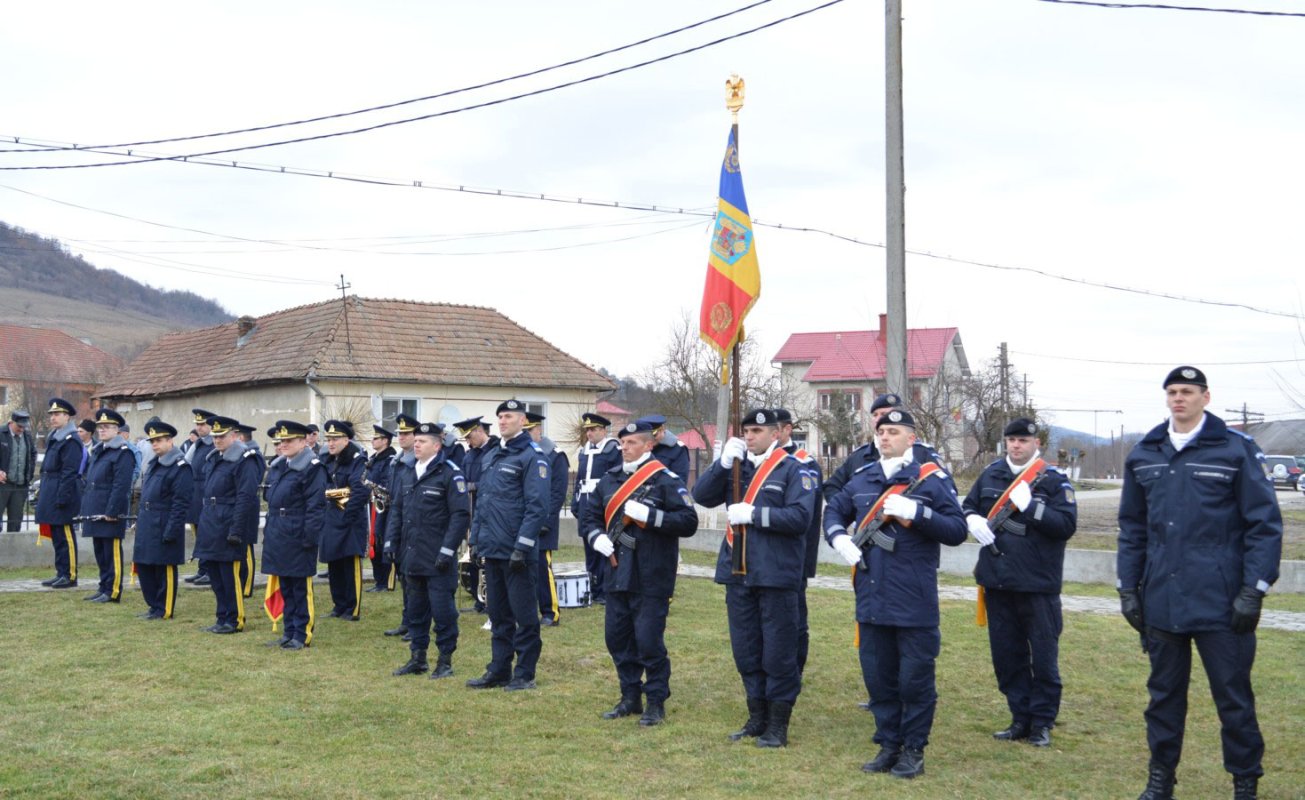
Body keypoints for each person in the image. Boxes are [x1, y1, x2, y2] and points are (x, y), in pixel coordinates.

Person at [1117, 367, 1282, 800]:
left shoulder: (1234, 450)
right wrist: (1127, 588)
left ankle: (1245, 782)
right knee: (1163, 699)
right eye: (1171, 391)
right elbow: (1132, 529)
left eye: (1187, 391)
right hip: (1162, 600)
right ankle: (1160, 780)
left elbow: (1264, 526)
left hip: (1222, 602)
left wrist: (1254, 590)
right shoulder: (1145, 453)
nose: (1178, 399)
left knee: (1233, 699)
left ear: (1206, 397)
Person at [823, 409, 966, 778]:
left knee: (914, 681)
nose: (885, 437)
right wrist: (838, 537)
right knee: (879, 679)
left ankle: (913, 750)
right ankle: (888, 744)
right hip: (871, 596)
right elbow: (834, 509)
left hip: (913, 600)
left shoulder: (930, 481)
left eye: (894, 432)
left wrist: (918, 514)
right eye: (881, 431)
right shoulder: (863, 477)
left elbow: (956, 530)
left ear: (911, 439)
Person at [692, 408, 816, 749]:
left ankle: (777, 724)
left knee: (778, 652)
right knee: (746, 650)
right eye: (746, 431)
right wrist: (720, 464)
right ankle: (756, 716)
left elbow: (800, 517)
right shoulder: (738, 468)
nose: (749, 436)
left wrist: (756, 515)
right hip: (739, 570)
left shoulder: (795, 469)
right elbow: (701, 496)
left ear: (776, 434)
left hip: (776, 573)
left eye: (756, 431)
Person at [962, 418, 1077, 748]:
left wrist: (1033, 507)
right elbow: (969, 506)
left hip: (1038, 585)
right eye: (1011, 439)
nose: (1016, 445)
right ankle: (1019, 718)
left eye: (1023, 440)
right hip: (998, 582)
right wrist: (972, 519)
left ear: (1036, 443)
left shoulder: (1054, 481)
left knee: (1043, 659)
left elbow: (1066, 525)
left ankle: (1042, 723)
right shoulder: (992, 474)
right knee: (1007, 658)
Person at [584, 420, 698, 725]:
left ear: (649, 445)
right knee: (617, 639)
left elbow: (688, 521)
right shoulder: (609, 480)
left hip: (651, 573)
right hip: (617, 571)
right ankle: (630, 696)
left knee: (648, 641)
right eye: (622, 443)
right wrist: (597, 537)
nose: (625, 448)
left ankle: (656, 701)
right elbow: (590, 516)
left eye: (632, 442)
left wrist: (653, 516)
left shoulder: (664, 480)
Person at [465, 399, 550, 692]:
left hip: (517, 552)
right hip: (493, 548)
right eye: (499, 416)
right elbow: (483, 503)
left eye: (509, 416)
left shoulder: (531, 456)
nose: (502, 421)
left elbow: (537, 507)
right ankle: (499, 669)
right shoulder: (492, 455)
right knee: (498, 614)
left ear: (522, 420)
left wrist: (522, 547)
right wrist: (476, 542)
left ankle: (524, 673)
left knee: (524, 616)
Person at [390, 422, 471, 678]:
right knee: (415, 610)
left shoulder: (449, 473)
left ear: (436, 445)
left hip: (437, 557)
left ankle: (445, 660)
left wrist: (448, 550)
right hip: (412, 554)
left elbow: (460, 515)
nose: (416, 444)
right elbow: (398, 510)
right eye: (415, 440)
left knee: (443, 611)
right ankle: (418, 657)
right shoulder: (408, 471)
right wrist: (391, 542)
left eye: (422, 441)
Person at [261, 420, 328, 650]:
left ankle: (302, 633)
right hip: (279, 531)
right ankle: (288, 631)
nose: (284, 444)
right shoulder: (280, 465)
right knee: (286, 586)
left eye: (289, 440)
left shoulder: (312, 467)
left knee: (300, 587)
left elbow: (315, 506)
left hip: (298, 532)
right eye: (282, 441)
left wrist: (310, 538)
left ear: (303, 441)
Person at [194, 415, 261, 634]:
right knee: (215, 575)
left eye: (221, 436)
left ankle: (235, 619)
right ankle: (221, 616)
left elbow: (245, 497)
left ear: (234, 435)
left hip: (229, 522)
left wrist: (237, 529)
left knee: (229, 576)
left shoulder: (245, 459)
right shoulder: (214, 458)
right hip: (212, 521)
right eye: (215, 436)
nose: (217, 440)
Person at [772, 408, 823, 675]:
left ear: (788, 429)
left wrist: (806, 560)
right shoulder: (757, 459)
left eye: (776, 428)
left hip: (796, 551)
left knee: (795, 617)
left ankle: (796, 667)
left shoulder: (805, 462)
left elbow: (809, 517)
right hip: (767, 555)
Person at [132, 420, 192, 620]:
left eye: (158, 440)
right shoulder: (154, 464)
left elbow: (180, 502)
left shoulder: (180, 466)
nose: (154, 444)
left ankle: (164, 608)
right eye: (152, 441)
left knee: (163, 566)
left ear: (170, 441)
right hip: (148, 521)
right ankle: (153, 605)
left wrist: (172, 530)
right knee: (145, 565)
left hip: (164, 521)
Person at [79, 408, 137, 604]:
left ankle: (112, 590)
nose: (102, 430)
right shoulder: (99, 450)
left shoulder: (123, 453)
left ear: (117, 430)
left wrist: (113, 511)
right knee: (100, 551)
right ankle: (103, 586)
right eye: (100, 427)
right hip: (96, 507)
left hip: (110, 510)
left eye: (107, 427)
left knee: (111, 551)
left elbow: (121, 485)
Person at [319, 420, 370, 621]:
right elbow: (319, 488)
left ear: (346, 440)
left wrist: (331, 495)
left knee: (350, 564)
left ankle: (353, 607)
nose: (331, 443)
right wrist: (335, 494)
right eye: (329, 439)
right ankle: (338, 605)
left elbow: (359, 491)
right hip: (330, 519)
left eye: (335, 439)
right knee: (334, 564)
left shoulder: (357, 459)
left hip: (350, 519)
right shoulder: (326, 459)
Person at [524, 411, 569, 626]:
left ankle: (551, 612)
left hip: (543, 522)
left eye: (528, 431)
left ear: (538, 430)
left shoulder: (554, 455)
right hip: (523, 520)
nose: (524, 435)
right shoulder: (522, 454)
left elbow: (558, 493)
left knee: (543, 567)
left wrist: (545, 521)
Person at [573, 412, 620, 605]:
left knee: (605, 548)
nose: (589, 434)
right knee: (589, 547)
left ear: (603, 430)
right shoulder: (584, 450)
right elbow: (579, 479)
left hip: (604, 506)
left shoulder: (613, 449)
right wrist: (576, 503)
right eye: (587, 430)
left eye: (592, 430)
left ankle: (606, 589)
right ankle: (593, 587)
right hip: (586, 504)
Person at [35, 399, 83, 588]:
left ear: (67, 416)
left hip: (62, 492)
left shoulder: (70, 440)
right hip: (51, 488)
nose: (53, 418)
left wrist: (62, 497)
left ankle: (70, 575)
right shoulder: (55, 436)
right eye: (52, 414)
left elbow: (69, 472)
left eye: (57, 414)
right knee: (56, 535)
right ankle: (61, 571)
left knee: (65, 535)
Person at [455, 416, 498, 616]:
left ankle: (490, 597)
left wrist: (475, 486)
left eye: (470, 436)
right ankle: (478, 597)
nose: (467, 441)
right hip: (471, 510)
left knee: (485, 556)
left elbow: (494, 481)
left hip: (488, 511)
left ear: (480, 432)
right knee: (471, 556)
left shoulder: (494, 451)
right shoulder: (469, 454)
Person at [382, 413, 421, 638]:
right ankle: (407, 620)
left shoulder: (416, 461)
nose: (402, 437)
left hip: (412, 522)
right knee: (403, 577)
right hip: (396, 519)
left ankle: (416, 622)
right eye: (400, 434)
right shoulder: (397, 461)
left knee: (414, 579)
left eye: (406, 434)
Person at [184, 409, 216, 586]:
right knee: (199, 535)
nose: (199, 427)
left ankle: (209, 571)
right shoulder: (198, 444)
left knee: (208, 535)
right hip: (195, 494)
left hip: (207, 494)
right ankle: (202, 569)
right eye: (197, 424)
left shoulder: (213, 444)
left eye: (202, 424)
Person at [235, 423, 266, 600]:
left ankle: (247, 586)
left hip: (249, 504)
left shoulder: (253, 456)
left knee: (246, 548)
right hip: (243, 503)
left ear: (240, 438)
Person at [365, 424, 397, 593]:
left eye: (376, 438)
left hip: (384, 506)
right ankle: (379, 580)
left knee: (383, 540)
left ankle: (387, 581)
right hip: (372, 504)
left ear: (385, 441)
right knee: (373, 542)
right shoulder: (374, 458)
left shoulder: (390, 459)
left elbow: (387, 482)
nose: (373, 440)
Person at [0, 409, 37, 532]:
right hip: (2, 484)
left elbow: (33, 454)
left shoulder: (27, 436)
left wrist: (29, 474)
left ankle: (12, 549)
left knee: (15, 522)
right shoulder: (1, 433)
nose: (21, 429)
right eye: (19, 426)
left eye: (24, 426)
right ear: (11, 422)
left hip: (20, 486)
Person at [636, 414, 692, 480]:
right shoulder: (637, 447)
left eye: (654, 435)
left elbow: (680, 480)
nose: (650, 440)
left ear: (662, 429)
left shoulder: (678, 449)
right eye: (646, 437)